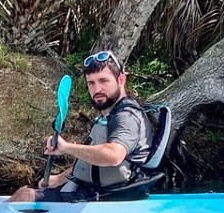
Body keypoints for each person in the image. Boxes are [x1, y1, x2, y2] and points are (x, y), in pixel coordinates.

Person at [9, 51, 153, 203]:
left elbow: (113, 156)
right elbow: (92, 162)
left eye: (103, 81)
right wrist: (59, 179)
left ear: (121, 80)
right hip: (96, 190)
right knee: (23, 192)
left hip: (115, 196)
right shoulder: (107, 116)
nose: (97, 89)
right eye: (91, 83)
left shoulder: (126, 117)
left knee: (25, 197)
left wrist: (65, 147)